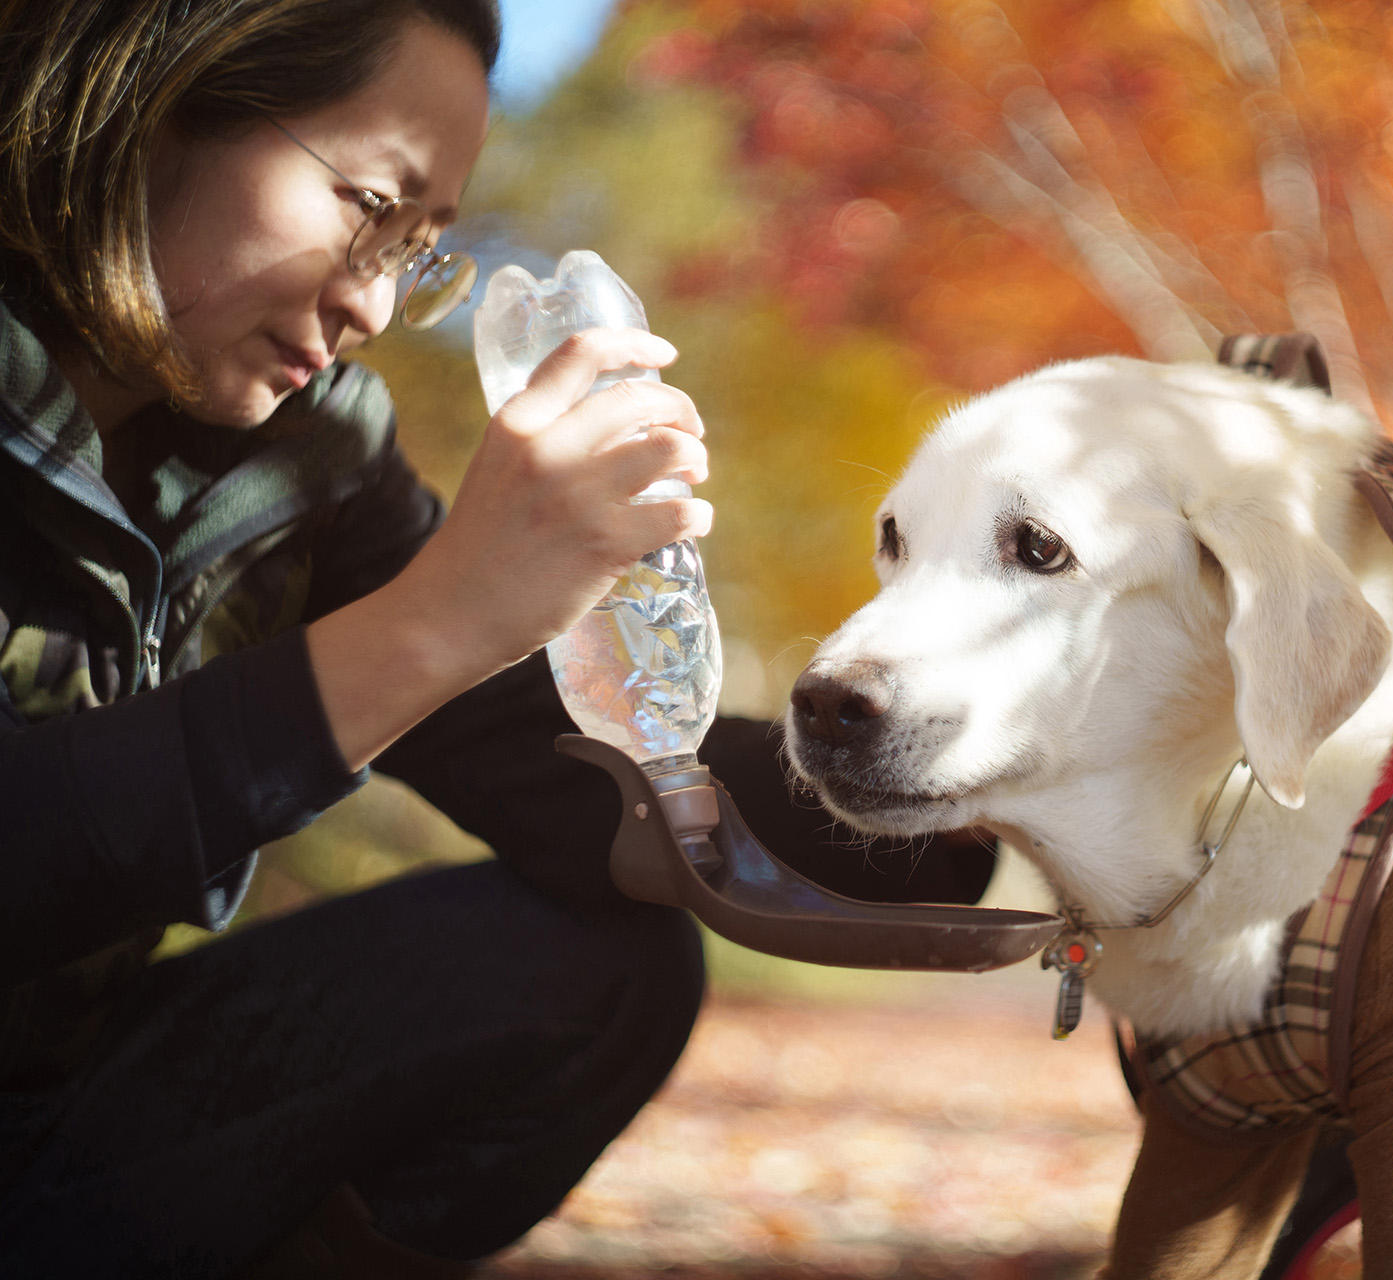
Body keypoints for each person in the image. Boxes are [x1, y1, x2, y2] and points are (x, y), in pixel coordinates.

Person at [0, 1, 993, 1275]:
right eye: (370, 205)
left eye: (417, 248)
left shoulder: (305, 453)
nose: (372, 302)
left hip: (60, 1125)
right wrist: (442, 617)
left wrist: (957, 802)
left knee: (593, 963)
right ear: (157, 92)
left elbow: (542, 755)